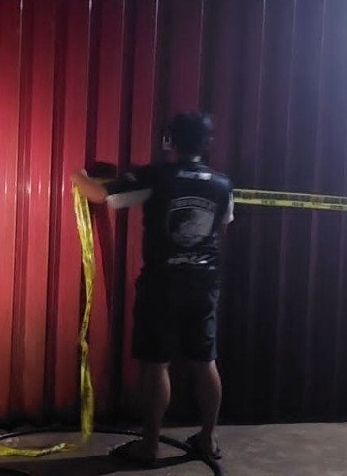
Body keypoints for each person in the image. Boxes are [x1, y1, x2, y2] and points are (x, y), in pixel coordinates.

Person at [72, 112, 233, 466]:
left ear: (169, 141)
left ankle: (149, 445)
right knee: (205, 361)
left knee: (156, 363)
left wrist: (77, 176)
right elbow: (220, 229)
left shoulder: (156, 177)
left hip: (163, 284)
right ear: (206, 143)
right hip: (204, 282)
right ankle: (208, 439)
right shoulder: (223, 184)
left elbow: (99, 194)